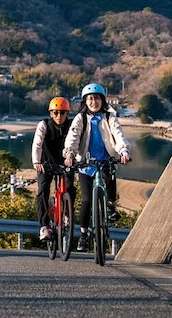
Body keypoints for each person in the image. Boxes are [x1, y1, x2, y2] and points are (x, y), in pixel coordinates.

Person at [63, 83, 131, 252]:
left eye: (97, 98)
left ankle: (110, 205)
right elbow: (73, 137)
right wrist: (70, 154)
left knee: (111, 175)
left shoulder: (109, 117)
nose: (94, 102)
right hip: (86, 164)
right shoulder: (80, 118)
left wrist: (123, 151)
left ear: (103, 100)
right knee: (86, 200)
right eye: (90, 99)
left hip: (105, 160)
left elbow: (118, 135)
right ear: (85, 101)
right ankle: (84, 235)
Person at [32, 96, 76, 241]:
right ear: (50, 113)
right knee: (43, 190)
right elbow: (37, 144)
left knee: (70, 188)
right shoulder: (44, 124)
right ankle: (44, 226)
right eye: (55, 112)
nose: (59, 116)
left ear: (67, 113)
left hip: (65, 163)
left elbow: (76, 143)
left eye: (62, 113)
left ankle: (67, 215)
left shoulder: (72, 126)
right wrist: (36, 162)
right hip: (45, 163)